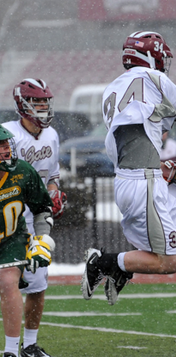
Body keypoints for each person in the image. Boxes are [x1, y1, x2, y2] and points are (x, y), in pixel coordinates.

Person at [81, 30, 176, 305]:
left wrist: (168, 171)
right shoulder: (155, 78)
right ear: (151, 56)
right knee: (171, 262)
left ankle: (122, 265)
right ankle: (106, 263)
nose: (165, 64)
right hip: (144, 183)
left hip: (135, 177)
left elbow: (132, 145)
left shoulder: (112, 89)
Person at [3, 78, 66, 357]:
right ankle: (12, 347)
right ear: (22, 105)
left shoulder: (52, 135)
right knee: (8, 284)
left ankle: (28, 345)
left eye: (45, 102)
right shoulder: (9, 135)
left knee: (37, 285)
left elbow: (52, 175)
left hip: (36, 218)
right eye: (37, 102)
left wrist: (54, 194)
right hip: (10, 219)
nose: (42, 107)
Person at [0, 124, 55, 357]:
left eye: (6, 145)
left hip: (12, 239)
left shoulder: (21, 171)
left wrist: (41, 240)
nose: (6, 150)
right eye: (0, 146)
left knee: (8, 280)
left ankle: (12, 351)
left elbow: (43, 208)